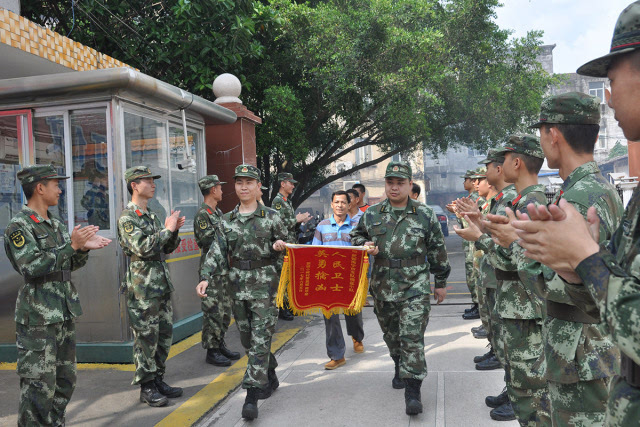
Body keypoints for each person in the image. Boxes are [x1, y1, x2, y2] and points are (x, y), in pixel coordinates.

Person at [510, 4, 640, 423]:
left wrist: (576, 259)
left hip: (581, 355)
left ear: (553, 134)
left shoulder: (581, 195)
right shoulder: (587, 190)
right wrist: (572, 266)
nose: (609, 96)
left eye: (612, 79)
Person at [4, 164, 111, 426]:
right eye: (55, 184)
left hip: (62, 311)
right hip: (38, 316)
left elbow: (69, 264)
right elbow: (31, 265)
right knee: (38, 385)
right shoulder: (19, 226)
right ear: (39, 188)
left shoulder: (55, 224)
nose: (60, 190)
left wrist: (81, 250)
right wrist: (71, 246)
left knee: (64, 380)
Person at [351, 161, 451, 416]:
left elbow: (437, 249)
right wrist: (364, 244)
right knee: (392, 336)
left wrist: (440, 283)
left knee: (412, 338)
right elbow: (356, 236)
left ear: (409, 185)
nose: (394, 188)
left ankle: (413, 390)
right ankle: (399, 363)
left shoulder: (424, 214)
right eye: (390, 182)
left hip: (415, 285)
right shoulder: (372, 213)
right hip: (383, 285)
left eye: (400, 183)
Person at [196, 164, 288, 421]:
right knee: (248, 340)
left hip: (265, 288)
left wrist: (280, 248)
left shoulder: (272, 216)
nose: (244, 187)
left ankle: (251, 395)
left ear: (259, 186)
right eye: (239, 182)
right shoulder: (226, 221)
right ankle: (269, 374)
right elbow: (216, 251)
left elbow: (288, 251)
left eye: (249, 182)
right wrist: (205, 277)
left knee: (260, 339)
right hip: (237, 287)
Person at [480, 135, 550, 425]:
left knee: (531, 384)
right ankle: (513, 395)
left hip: (525, 305)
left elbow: (519, 259)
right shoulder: (521, 200)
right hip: (515, 303)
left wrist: (481, 238)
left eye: (503, 159)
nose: (497, 166)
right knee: (518, 372)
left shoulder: (531, 203)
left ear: (516, 162)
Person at [117, 166, 185, 407]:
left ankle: (157, 379)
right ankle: (146, 386)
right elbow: (143, 247)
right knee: (146, 337)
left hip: (160, 285)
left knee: (163, 335)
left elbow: (165, 248)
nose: (152, 184)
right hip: (142, 287)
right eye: (147, 180)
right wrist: (166, 230)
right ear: (134, 185)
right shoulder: (128, 217)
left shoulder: (153, 215)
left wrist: (173, 232)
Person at [312, 190, 365, 370]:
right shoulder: (322, 226)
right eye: (337, 202)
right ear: (332, 204)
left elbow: (363, 252)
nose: (340, 205)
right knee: (330, 317)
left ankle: (357, 337)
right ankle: (337, 355)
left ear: (349, 205)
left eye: (343, 202)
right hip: (327, 279)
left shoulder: (357, 227)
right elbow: (313, 252)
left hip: (350, 278)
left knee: (353, 312)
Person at [193, 175, 240, 367]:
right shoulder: (203, 215)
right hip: (211, 269)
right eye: (220, 187)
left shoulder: (218, 212)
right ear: (213, 189)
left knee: (224, 310)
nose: (222, 190)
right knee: (212, 311)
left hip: (224, 269)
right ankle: (212, 350)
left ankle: (220, 344)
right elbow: (206, 241)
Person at [272, 172, 311, 321]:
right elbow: (277, 224)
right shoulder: (278, 201)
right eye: (291, 183)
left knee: (289, 276)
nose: (293, 186)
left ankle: (288, 305)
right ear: (283, 184)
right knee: (283, 276)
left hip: (290, 245)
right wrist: (296, 219)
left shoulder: (286, 201)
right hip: (282, 246)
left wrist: (300, 221)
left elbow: (288, 224)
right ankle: (283, 308)